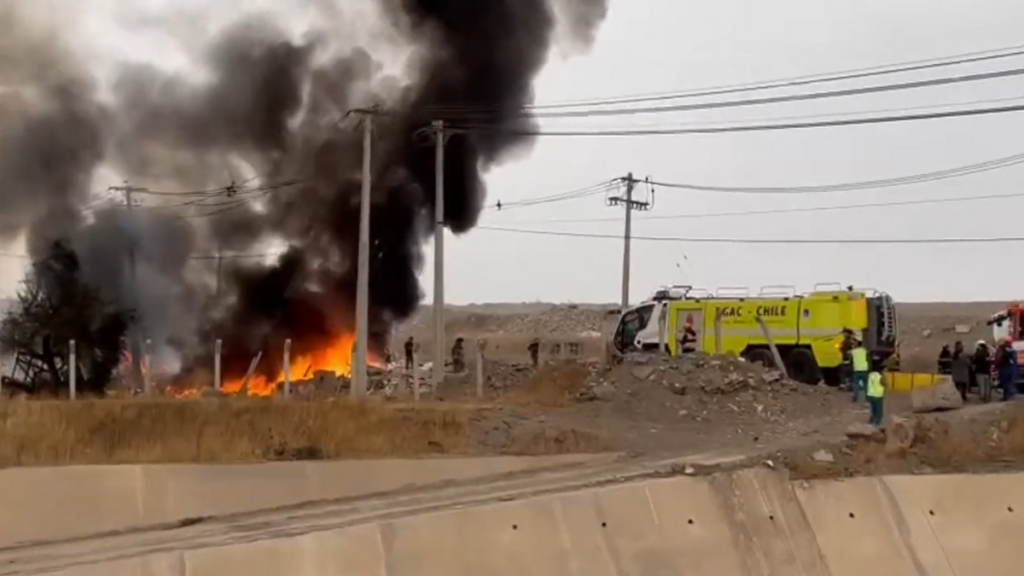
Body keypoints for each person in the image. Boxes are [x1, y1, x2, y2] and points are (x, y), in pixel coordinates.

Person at [995, 337, 1018, 401]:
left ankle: (1006, 396)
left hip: (1005, 368)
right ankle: (1010, 394)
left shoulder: (1001, 349)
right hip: (1011, 368)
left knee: (1005, 383)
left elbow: (998, 359)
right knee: (1010, 382)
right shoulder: (1013, 349)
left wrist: (997, 366)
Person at [866, 360, 886, 427]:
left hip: (871, 395)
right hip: (878, 396)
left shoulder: (870, 375)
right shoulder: (880, 377)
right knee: (879, 412)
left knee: (873, 409)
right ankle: (876, 423)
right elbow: (884, 384)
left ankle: (871, 420)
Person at [850, 336, 869, 402]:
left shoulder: (853, 352)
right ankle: (867, 397)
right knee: (866, 385)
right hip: (864, 369)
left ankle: (855, 397)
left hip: (857, 370)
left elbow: (850, 360)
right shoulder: (865, 351)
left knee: (856, 385)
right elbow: (868, 359)